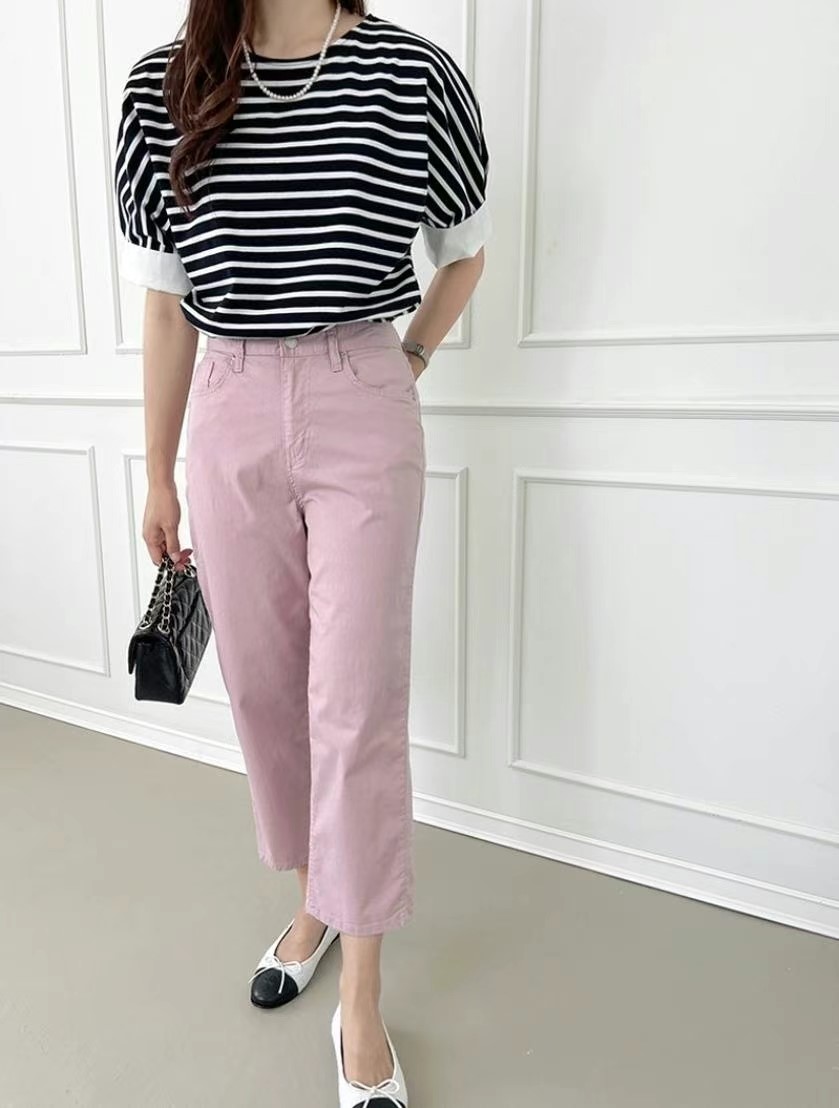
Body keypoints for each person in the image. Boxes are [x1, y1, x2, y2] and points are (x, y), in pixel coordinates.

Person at [113, 1, 491, 1102]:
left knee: (355, 699)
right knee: (268, 690)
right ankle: (315, 899)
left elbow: (463, 254)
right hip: (228, 403)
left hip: (360, 390)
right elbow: (169, 308)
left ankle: (360, 1003)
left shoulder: (410, 75)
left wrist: (404, 359)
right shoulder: (166, 85)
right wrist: (157, 470)